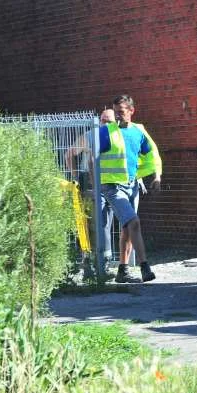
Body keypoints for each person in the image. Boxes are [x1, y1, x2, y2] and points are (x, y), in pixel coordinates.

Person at [98, 94, 162, 283]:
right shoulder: (106, 132)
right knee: (134, 222)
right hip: (112, 187)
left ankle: (122, 271)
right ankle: (145, 267)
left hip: (132, 185)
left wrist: (156, 177)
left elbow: (151, 155)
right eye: (116, 112)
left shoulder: (138, 131)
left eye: (122, 112)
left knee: (127, 228)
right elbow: (88, 152)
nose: (118, 116)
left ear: (132, 111)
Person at [65, 108, 117, 271]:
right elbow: (69, 154)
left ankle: (103, 260)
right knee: (90, 222)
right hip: (89, 181)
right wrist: (75, 177)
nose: (105, 123)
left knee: (105, 223)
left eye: (109, 121)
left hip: (111, 182)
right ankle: (88, 260)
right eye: (103, 120)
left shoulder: (118, 137)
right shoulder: (89, 136)